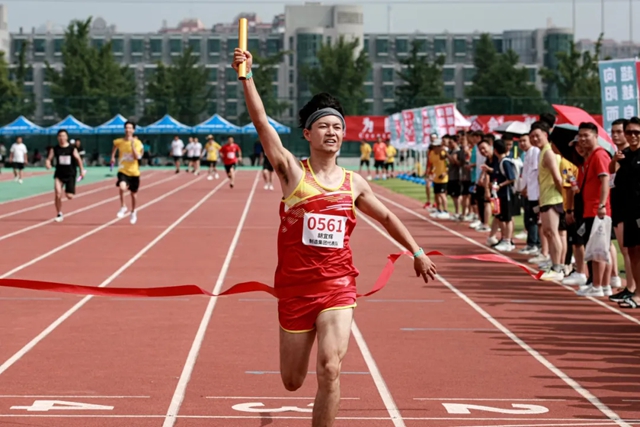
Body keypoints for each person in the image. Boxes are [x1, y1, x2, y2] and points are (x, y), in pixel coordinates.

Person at [232, 48, 437, 427]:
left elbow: (389, 216)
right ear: (308, 133)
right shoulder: (293, 173)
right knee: (292, 382)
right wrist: (247, 77)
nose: (332, 132)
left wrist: (417, 251)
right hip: (294, 290)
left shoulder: (353, 182)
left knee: (329, 368)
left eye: (338, 126)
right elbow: (262, 124)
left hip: (337, 286)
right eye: (324, 126)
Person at [45, 129, 86, 222]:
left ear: (66, 137)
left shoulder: (72, 149)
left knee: (69, 196)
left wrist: (81, 171)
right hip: (59, 174)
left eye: (63, 136)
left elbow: (79, 160)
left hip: (70, 174)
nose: (61, 138)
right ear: (57, 137)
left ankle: (69, 190)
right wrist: (47, 163)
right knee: (58, 193)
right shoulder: (55, 149)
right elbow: (49, 159)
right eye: (60, 136)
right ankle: (59, 213)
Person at [110, 121, 144, 225]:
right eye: (126, 128)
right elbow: (114, 146)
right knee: (122, 187)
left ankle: (133, 211)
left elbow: (137, 157)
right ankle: (123, 206)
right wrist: (112, 156)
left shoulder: (138, 143)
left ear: (133, 130)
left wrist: (133, 145)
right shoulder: (119, 141)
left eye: (130, 128)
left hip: (134, 172)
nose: (128, 130)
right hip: (123, 170)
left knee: (133, 195)